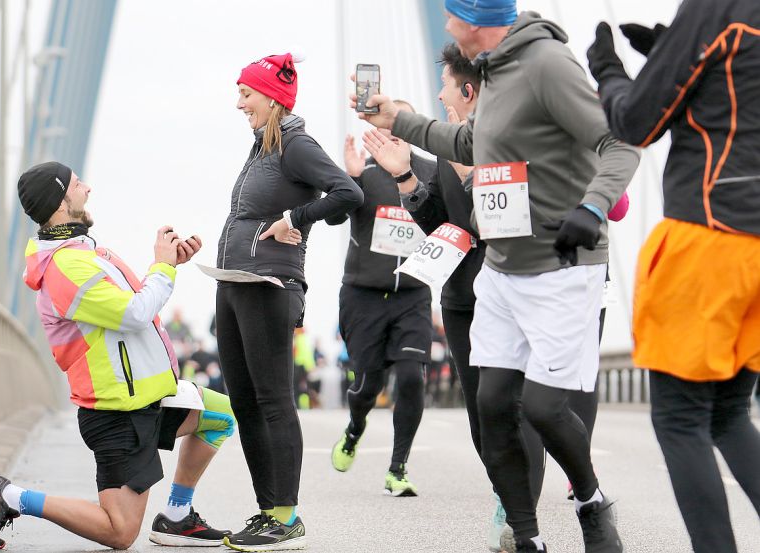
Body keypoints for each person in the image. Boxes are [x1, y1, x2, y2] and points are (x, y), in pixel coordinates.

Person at [354, 1, 640, 550]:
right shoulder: (496, 72)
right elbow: (471, 145)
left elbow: (618, 143)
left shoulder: (546, 63)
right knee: (491, 408)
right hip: (502, 273)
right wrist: (396, 121)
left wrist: (593, 207)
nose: (444, 26)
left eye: (451, 15)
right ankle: (525, 538)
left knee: (544, 408)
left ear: (475, 19)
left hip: (559, 266)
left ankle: (591, 504)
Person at [0, 161, 237, 550]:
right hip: (116, 413)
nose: (88, 189)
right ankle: (7, 496)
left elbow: (132, 306)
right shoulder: (65, 266)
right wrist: (162, 265)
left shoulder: (82, 252)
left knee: (220, 415)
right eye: (78, 184)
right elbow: (135, 314)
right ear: (61, 203)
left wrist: (169, 265)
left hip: (147, 397)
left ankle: (177, 516)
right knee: (119, 531)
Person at [587, 2, 760, 550]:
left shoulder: (717, 7)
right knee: (729, 414)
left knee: (681, 418)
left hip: (709, 233)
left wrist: (608, 71)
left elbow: (636, 121)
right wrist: (667, 48)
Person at [216, 52, 363, 551]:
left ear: (272, 98)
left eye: (246, 95)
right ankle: (266, 511)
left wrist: (297, 218)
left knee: (274, 400)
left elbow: (347, 193)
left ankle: (287, 516)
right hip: (233, 283)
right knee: (244, 402)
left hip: (268, 287)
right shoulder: (261, 146)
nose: (239, 104)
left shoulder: (296, 144)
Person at [327, 100, 436, 498]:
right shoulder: (364, 170)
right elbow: (334, 217)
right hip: (363, 294)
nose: (392, 133)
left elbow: (447, 217)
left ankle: (398, 468)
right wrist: (349, 179)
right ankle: (355, 428)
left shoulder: (430, 170)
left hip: (412, 294)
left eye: (399, 126)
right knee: (368, 384)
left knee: (410, 376)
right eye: (385, 127)